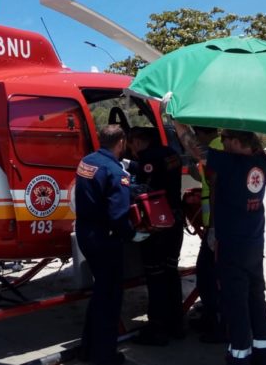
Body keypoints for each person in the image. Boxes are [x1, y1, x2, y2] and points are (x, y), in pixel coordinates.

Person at [207, 129, 266, 365]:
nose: (223, 147)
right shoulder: (262, 161)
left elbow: (194, 148)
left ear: (236, 141)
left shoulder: (230, 163)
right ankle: (263, 350)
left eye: (225, 142)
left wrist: (175, 120)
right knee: (256, 295)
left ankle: (239, 354)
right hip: (254, 241)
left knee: (235, 301)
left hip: (232, 243)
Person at [74, 124, 137, 365]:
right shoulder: (115, 171)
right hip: (106, 238)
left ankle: (88, 348)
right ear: (121, 142)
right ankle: (104, 356)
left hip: (86, 233)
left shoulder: (87, 162)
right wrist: (132, 235)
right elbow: (119, 215)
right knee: (109, 298)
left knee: (100, 293)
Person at [127, 127, 185, 345]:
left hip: (157, 224)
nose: (131, 150)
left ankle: (157, 329)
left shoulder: (147, 159)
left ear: (139, 141)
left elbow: (143, 188)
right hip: (176, 221)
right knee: (171, 272)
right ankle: (177, 324)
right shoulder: (171, 154)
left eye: (131, 145)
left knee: (155, 275)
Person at [188, 125, 227, 343]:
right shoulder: (219, 146)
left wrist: (213, 227)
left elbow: (212, 185)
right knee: (210, 274)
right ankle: (211, 318)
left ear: (201, 134)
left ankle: (215, 322)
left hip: (216, 225)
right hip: (216, 224)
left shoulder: (213, 147)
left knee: (208, 275)